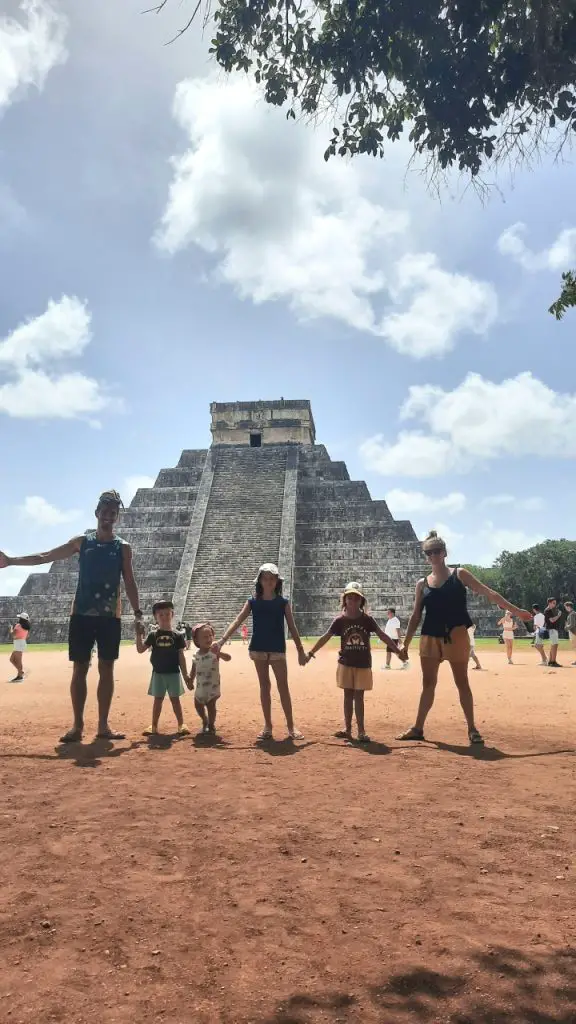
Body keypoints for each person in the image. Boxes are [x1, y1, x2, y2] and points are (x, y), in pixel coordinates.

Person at [0, 489, 142, 743]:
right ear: (97, 513)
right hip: (82, 615)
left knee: (106, 668)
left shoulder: (123, 548)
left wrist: (139, 613)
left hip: (110, 616)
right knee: (80, 668)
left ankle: (103, 725)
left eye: (113, 513)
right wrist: (11, 561)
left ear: (117, 518)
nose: (108, 517)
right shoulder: (82, 542)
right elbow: (45, 556)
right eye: (105, 512)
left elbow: (130, 582)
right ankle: (77, 726)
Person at [397, 530, 531, 746]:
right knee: (428, 684)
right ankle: (418, 727)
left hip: (456, 634)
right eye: (428, 552)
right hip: (430, 636)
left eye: (436, 551)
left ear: (444, 553)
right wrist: (406, 642)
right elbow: (415, 616)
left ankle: (472, 728)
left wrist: (516, 611)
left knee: (462, 682)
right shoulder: (422, 583)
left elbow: (489, 593)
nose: (432, 556)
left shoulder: (460, 574)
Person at [215, 562, 307, 741]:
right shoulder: (252, 602)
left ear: (277, 582)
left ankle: (290, 726)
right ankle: (268, 726)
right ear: (260, 581)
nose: (269, 581)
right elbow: (237, 621)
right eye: (265, 578)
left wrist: (300, 650)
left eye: (272, 579)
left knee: (283, 687)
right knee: (264, 686)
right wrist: (222, 640)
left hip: (277, 649)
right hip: (258, 648)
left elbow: (293, 627)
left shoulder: (283, 603)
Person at [306, 582, 407, 743]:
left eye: (356, 598)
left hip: (362, 663)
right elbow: (326, 636)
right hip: (346, 662)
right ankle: (347, 729)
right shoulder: (340, 620)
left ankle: (361, 730)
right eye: (350, 598)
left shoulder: (367, 619)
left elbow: (382, 635)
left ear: (361, 601)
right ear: (345, 600)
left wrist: (397, 651)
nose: (353, 601)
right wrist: (311, 653)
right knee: (347, 695)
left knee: (359, 697)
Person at [136, 600, 191, 736]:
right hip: (158, 673)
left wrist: (185, 675)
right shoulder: (153, 635)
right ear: (156, 617)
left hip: (173, 672)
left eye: (167, 614)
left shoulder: (177, 635)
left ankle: (181, 724)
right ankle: (154, 726)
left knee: (175, 700)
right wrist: (138, 635)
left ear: (172, 615)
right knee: (158, 700)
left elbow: (181, 657)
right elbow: (140, 649)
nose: (165, 617)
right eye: (161, 615)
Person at [187, 622, 231, 735]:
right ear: (197, 641)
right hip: (200, 687)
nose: (208, 639)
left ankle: (211, 724)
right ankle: (204, 720)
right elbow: (193, 670)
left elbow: (228, 658)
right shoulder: (196, 655)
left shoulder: (214, 652)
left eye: (210, 636)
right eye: (205, 637)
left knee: (211, 706)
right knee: (197, 705)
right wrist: (190, 681)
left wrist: (219, 653)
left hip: (212, 687)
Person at [8, 612, 30, 681]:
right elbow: (27, 636)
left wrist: (10, 628)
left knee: (18, 661)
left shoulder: (18, 625)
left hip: (18, 643)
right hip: (22, 642)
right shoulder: (27, 627)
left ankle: (20, 676)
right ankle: (20, 672)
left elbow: (13, 634)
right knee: (12, 659)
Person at [544, 597, 563, 668]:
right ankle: (553, 661)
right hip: (551, 629)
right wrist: (558, 615)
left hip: (552, 629)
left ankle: (550, 661)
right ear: (549, 603)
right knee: (555, 645)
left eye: (555, 603)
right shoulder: (548, 610)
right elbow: (552, 620)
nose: (555, 604)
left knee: (553, 645)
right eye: (553, 603)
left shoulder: (550, 610)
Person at [564, 601, 576, 665]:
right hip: (573, 632)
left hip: (573, 632)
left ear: (568, 607)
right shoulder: (572, 613)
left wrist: (566, 627)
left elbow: (572, 624)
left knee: (575, 646)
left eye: (566, 607)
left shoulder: (572, 614)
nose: (565, 608)